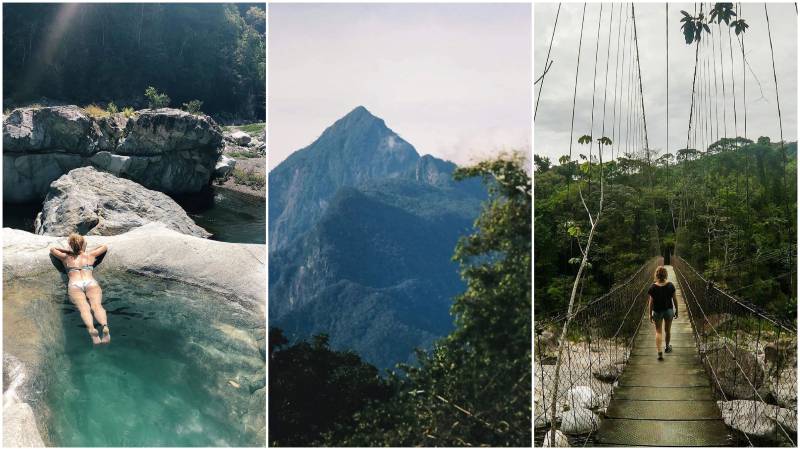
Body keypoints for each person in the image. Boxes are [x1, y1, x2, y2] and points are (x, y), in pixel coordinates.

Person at [50, 233, 110, 345]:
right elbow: (105, 247)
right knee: (97, 306)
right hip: (90, 282)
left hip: (75, 283)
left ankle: (92, 329)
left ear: (70, 245)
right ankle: (105, 326)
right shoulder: (90, 255)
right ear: (83, 244)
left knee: (84, 308)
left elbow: (52, 249)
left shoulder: (66, 257)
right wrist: (84, 248)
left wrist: (68, 251)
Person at [648, 265, 678, 360]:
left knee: (658, 331)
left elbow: (651, 302)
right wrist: (676, 310)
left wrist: (649, 314)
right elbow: (675, 299)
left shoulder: (653, 287)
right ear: (666, 274)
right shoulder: (670, 285)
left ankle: (659, 352)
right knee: (667, 330)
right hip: (669, 311)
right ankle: (667, 347)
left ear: (656, 275)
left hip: (657, 311)